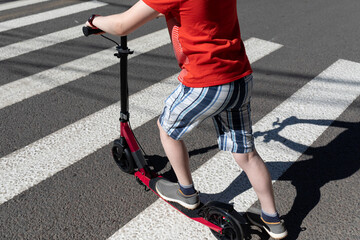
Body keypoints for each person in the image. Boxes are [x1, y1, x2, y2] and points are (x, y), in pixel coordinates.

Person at [85, 0, 287, 239]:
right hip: (239, 77)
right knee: (247, 154)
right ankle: (272, 219)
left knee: (167, 128)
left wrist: (94, 21)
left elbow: (122, 25)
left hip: (206, 82)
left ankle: (186, 192)